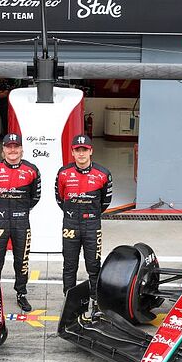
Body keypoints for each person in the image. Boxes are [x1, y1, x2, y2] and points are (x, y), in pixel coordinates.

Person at [0, 133, 41, 312]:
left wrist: (20, 210)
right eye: (9, 146)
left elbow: (35, 197)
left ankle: (21, 293)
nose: (13, 150)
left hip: (21, 220)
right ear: (3, 150)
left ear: (22, 149)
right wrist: (1, 210)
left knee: (21, 259)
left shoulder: (32, 170)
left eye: (16, 146)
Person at [55, 134, 112, 315]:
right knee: (69, 265)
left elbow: (105, 202)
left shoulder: (103, 174)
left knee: (93, 265)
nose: (81, 154)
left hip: (92, 225)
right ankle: (69, 301)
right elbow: (60, 198)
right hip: (70, 223)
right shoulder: (63, 173)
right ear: (72, 152)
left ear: (91, 151)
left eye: (84, 150)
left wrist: (91, 215)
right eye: (77, 150)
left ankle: (96, 302)